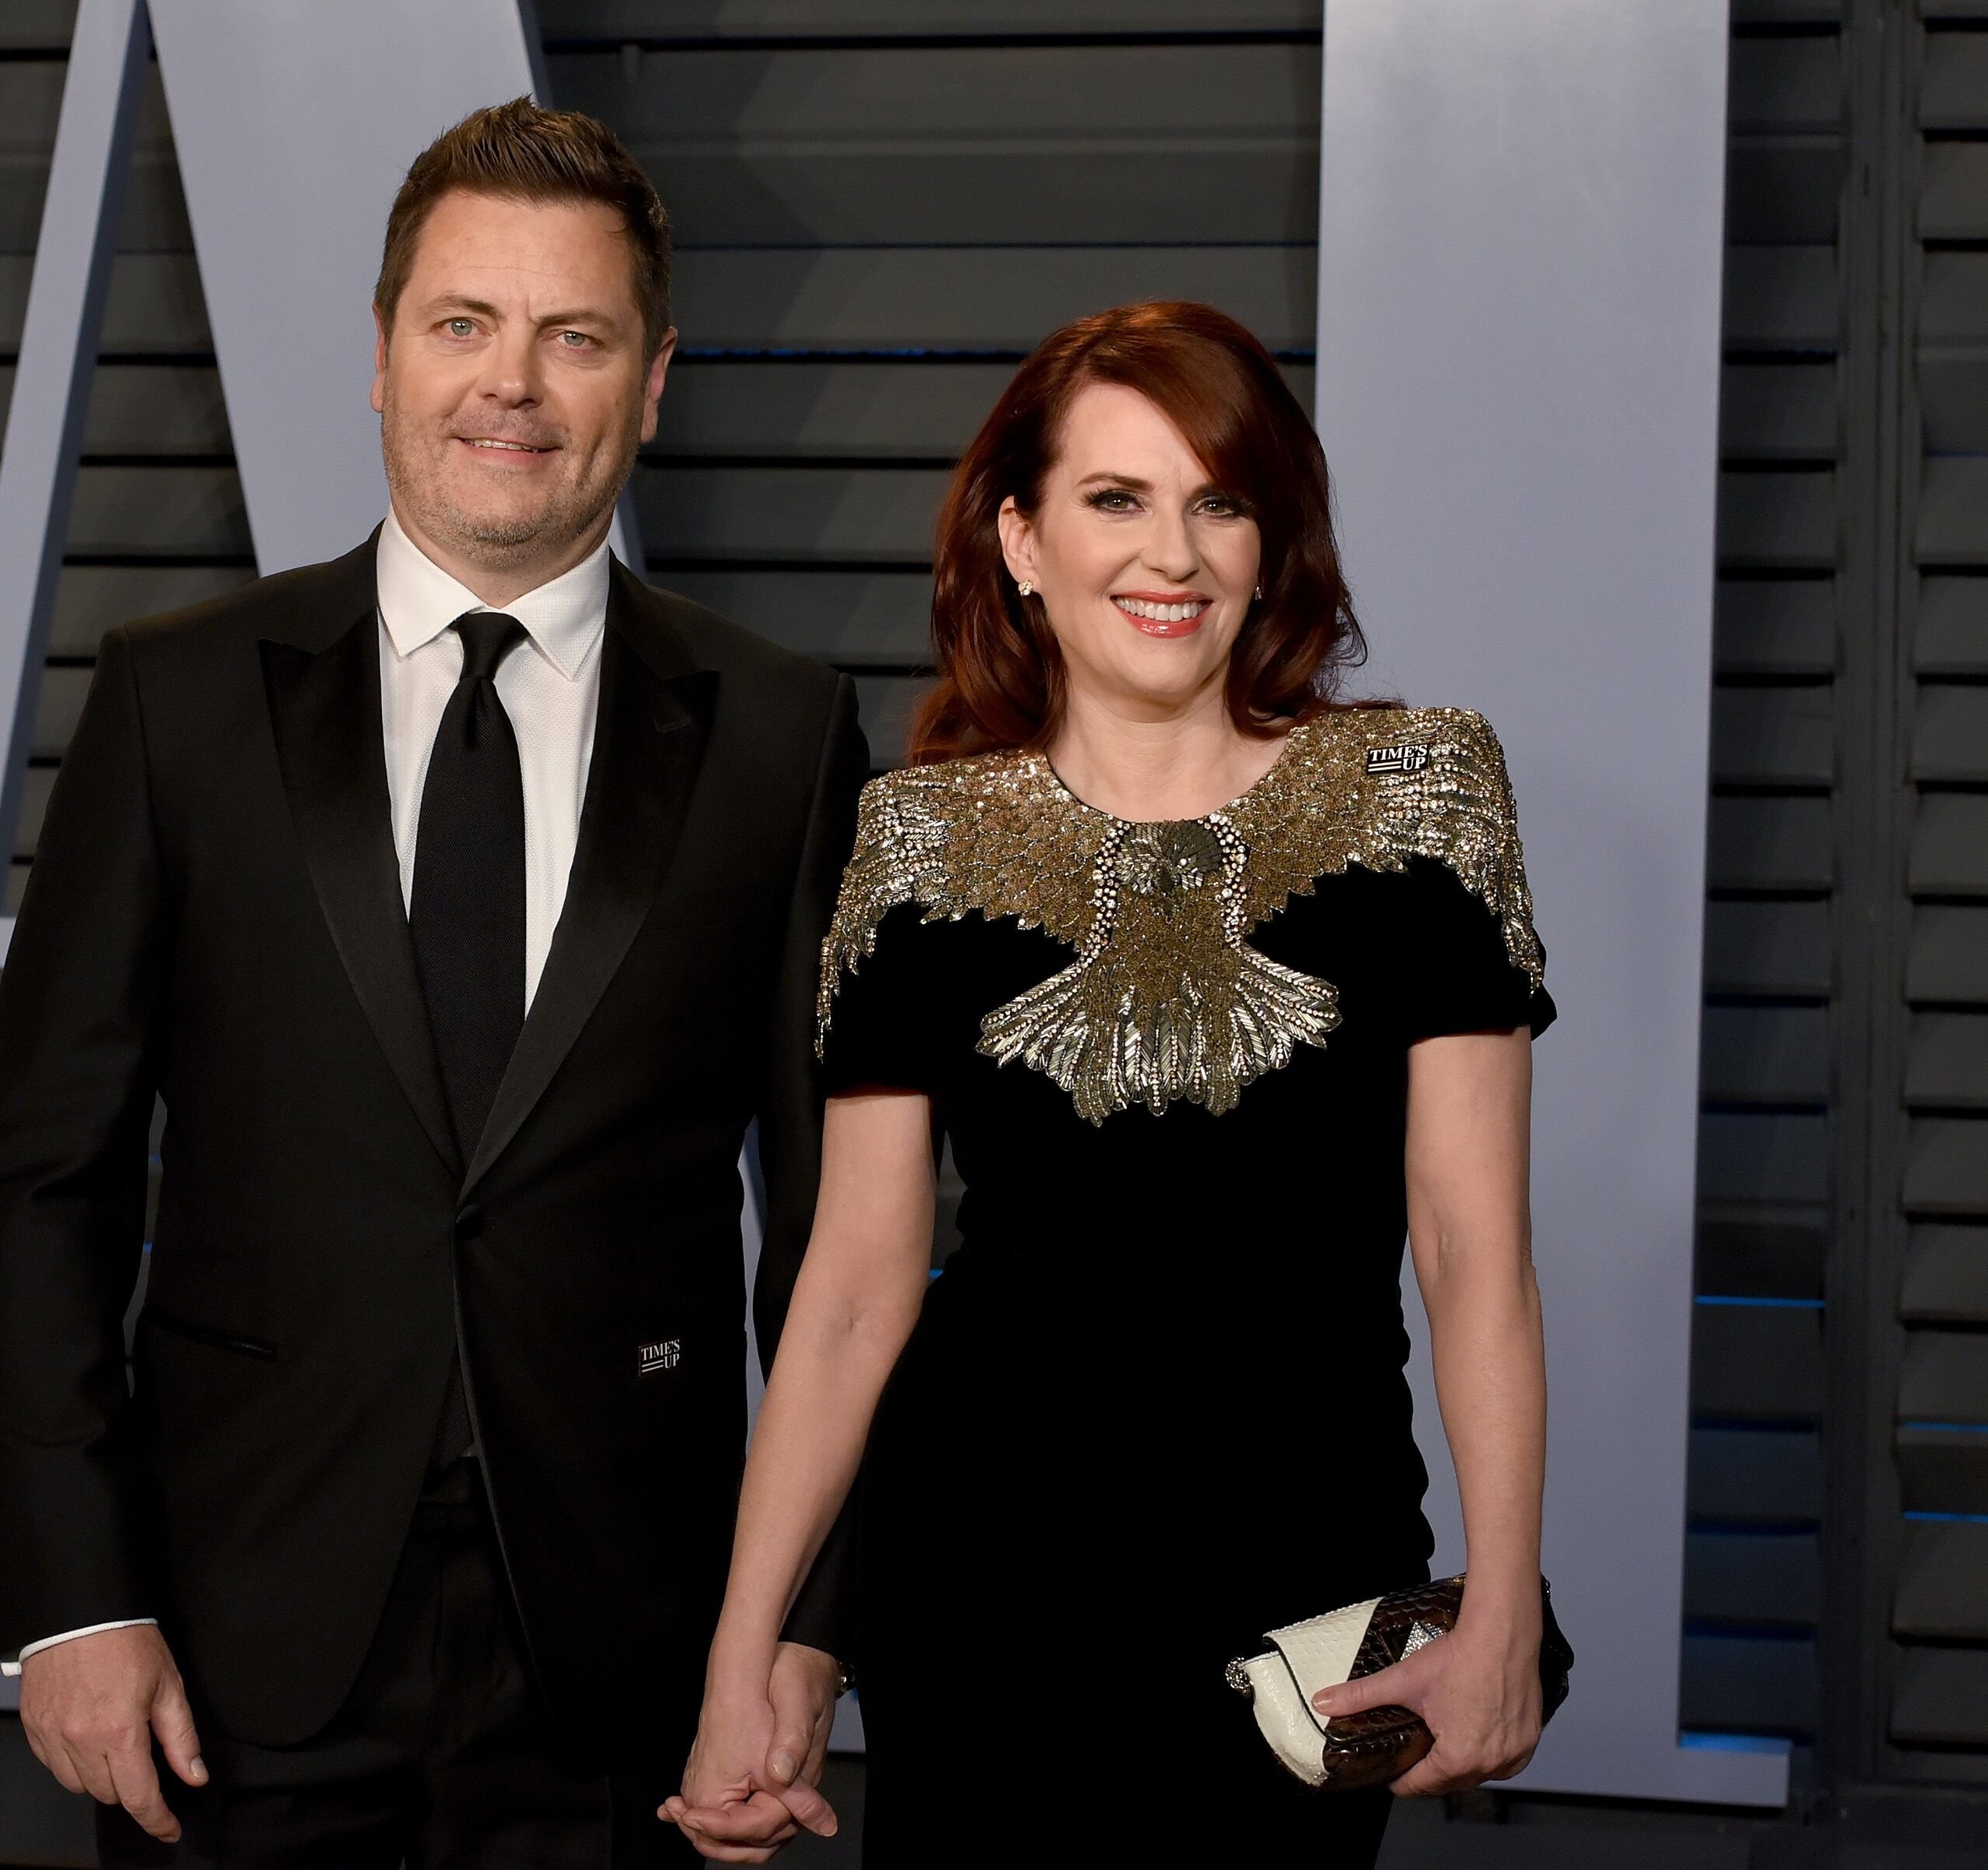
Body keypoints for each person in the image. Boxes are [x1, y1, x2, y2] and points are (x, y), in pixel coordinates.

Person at [0, 99, 860, 1868]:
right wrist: (70, 1602)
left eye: (573, 335)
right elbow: (42, 1178)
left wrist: (805, 1625)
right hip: (227, 1651)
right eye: (462, 324)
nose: (509, 383)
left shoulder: (779, 730)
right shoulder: (179, 700)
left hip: (635, 1662)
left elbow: (845, 1232)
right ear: (381, 357)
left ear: (652, 380)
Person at [663, 301, 1556, 1866]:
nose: (1176, 554)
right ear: (1019, 539)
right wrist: (750, 1653)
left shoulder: (1423, 794)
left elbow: (1473, 1251)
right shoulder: (920, 839)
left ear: (1274, 544)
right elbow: (854, 1291)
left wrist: (1499, 1601)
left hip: (1301, 1587)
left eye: (1222, 501)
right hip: (984, 1580)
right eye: (1117, 500)